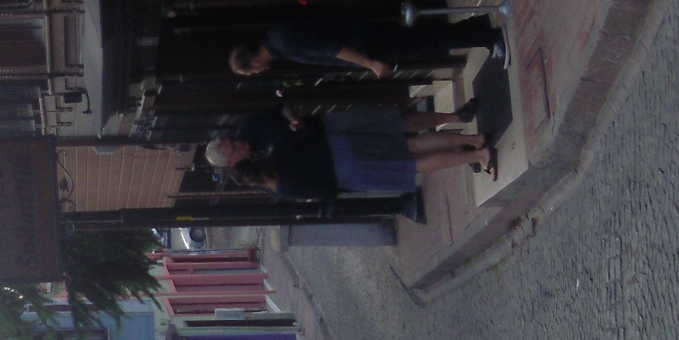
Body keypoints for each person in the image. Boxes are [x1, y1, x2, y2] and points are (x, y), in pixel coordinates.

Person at [208, 106, 491, 198]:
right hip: (333, 142)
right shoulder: (273, 152)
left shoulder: (276, 182)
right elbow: (299, 138)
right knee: (407, 144)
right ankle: (470, 140)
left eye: (234, 141)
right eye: (235, 148)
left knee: (408, 154)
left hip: (340, 157)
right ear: (231, 162)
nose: (240, 143)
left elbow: (322, 192)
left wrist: (293, 118)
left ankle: (470, 148)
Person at [229, 15, 504, 78]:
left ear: (253, 62)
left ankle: (486, 35)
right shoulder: (278, 39)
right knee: (422, 40)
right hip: (361, 37)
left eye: (251, 71)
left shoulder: (284, 42)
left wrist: (369, 63)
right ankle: (479, 29)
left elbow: (331, 47)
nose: (256, 72)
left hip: (362, 42)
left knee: (424, 42)